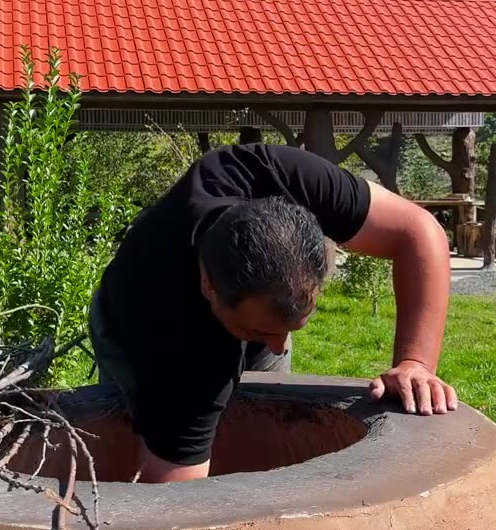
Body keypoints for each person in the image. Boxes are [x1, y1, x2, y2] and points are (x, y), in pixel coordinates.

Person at [88, 142, 457, 483]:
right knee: (136, 444)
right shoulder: (181, 339)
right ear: (209, 286)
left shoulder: (281, 176)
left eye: (293, 326)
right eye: (261, 333)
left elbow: (419, 233)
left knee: (261, 432)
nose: (280, 347)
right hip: (132, 335)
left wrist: (415, 363)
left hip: (228, 316)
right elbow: (174, 494)